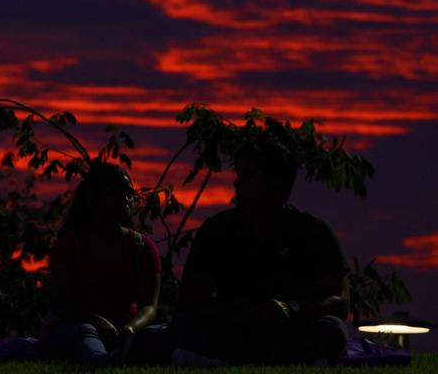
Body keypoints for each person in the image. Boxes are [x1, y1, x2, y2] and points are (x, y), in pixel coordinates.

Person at [174, 139, 350, 364]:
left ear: (275, 182)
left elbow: (340, 302)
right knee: (181, 326)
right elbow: (190, 296)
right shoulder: (217, 229)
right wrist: (231, 312)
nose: (237, 184)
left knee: (332, 330)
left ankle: (227, 360)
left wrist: (292, 310)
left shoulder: (313, 231)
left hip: (291, 330)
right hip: (231, 330)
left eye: (247, 175)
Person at [41, 162, 161, 365]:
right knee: (85, 333)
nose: (125, 199)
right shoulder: (71, 245)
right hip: (76, 327)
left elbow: (149, 306)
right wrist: (96, 321)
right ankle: (103, 361)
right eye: (115, 193)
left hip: (124, 328)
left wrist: (131, 328)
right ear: (93, 200)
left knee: (162, 333)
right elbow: (62, 305)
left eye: (129, 194)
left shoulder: (143, 248)